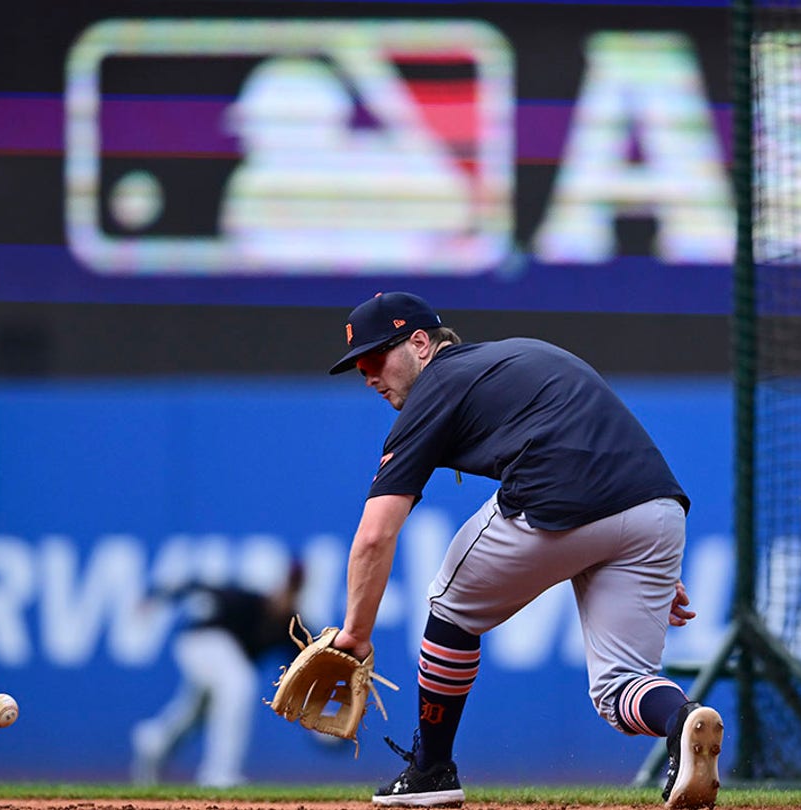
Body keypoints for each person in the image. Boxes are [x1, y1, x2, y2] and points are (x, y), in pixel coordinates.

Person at [324, 291, 724, 809]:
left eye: (376, 357)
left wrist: (355, 635)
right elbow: (602, 447)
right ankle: (681, 720)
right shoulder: (519, 356)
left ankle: (429, 772)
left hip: (562, 497)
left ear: (420, 343)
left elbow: (376, 534)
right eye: (359, 366)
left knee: (450, 606)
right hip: (656, 508)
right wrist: (641, 550)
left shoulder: (438, 384)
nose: (368, 374)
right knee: (619, 686)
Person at [131, 561, 306, 787]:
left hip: (218, 660)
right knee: (239, 683)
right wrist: (156, 596)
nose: (287, 595)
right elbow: (198, 586)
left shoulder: (290, 625)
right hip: (201, 641)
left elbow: (303, 668)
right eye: (286, 587)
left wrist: (321, 714)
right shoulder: (251, 601)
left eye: (294, 590)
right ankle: (219, 773)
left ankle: (153, 743)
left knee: (194, 714)